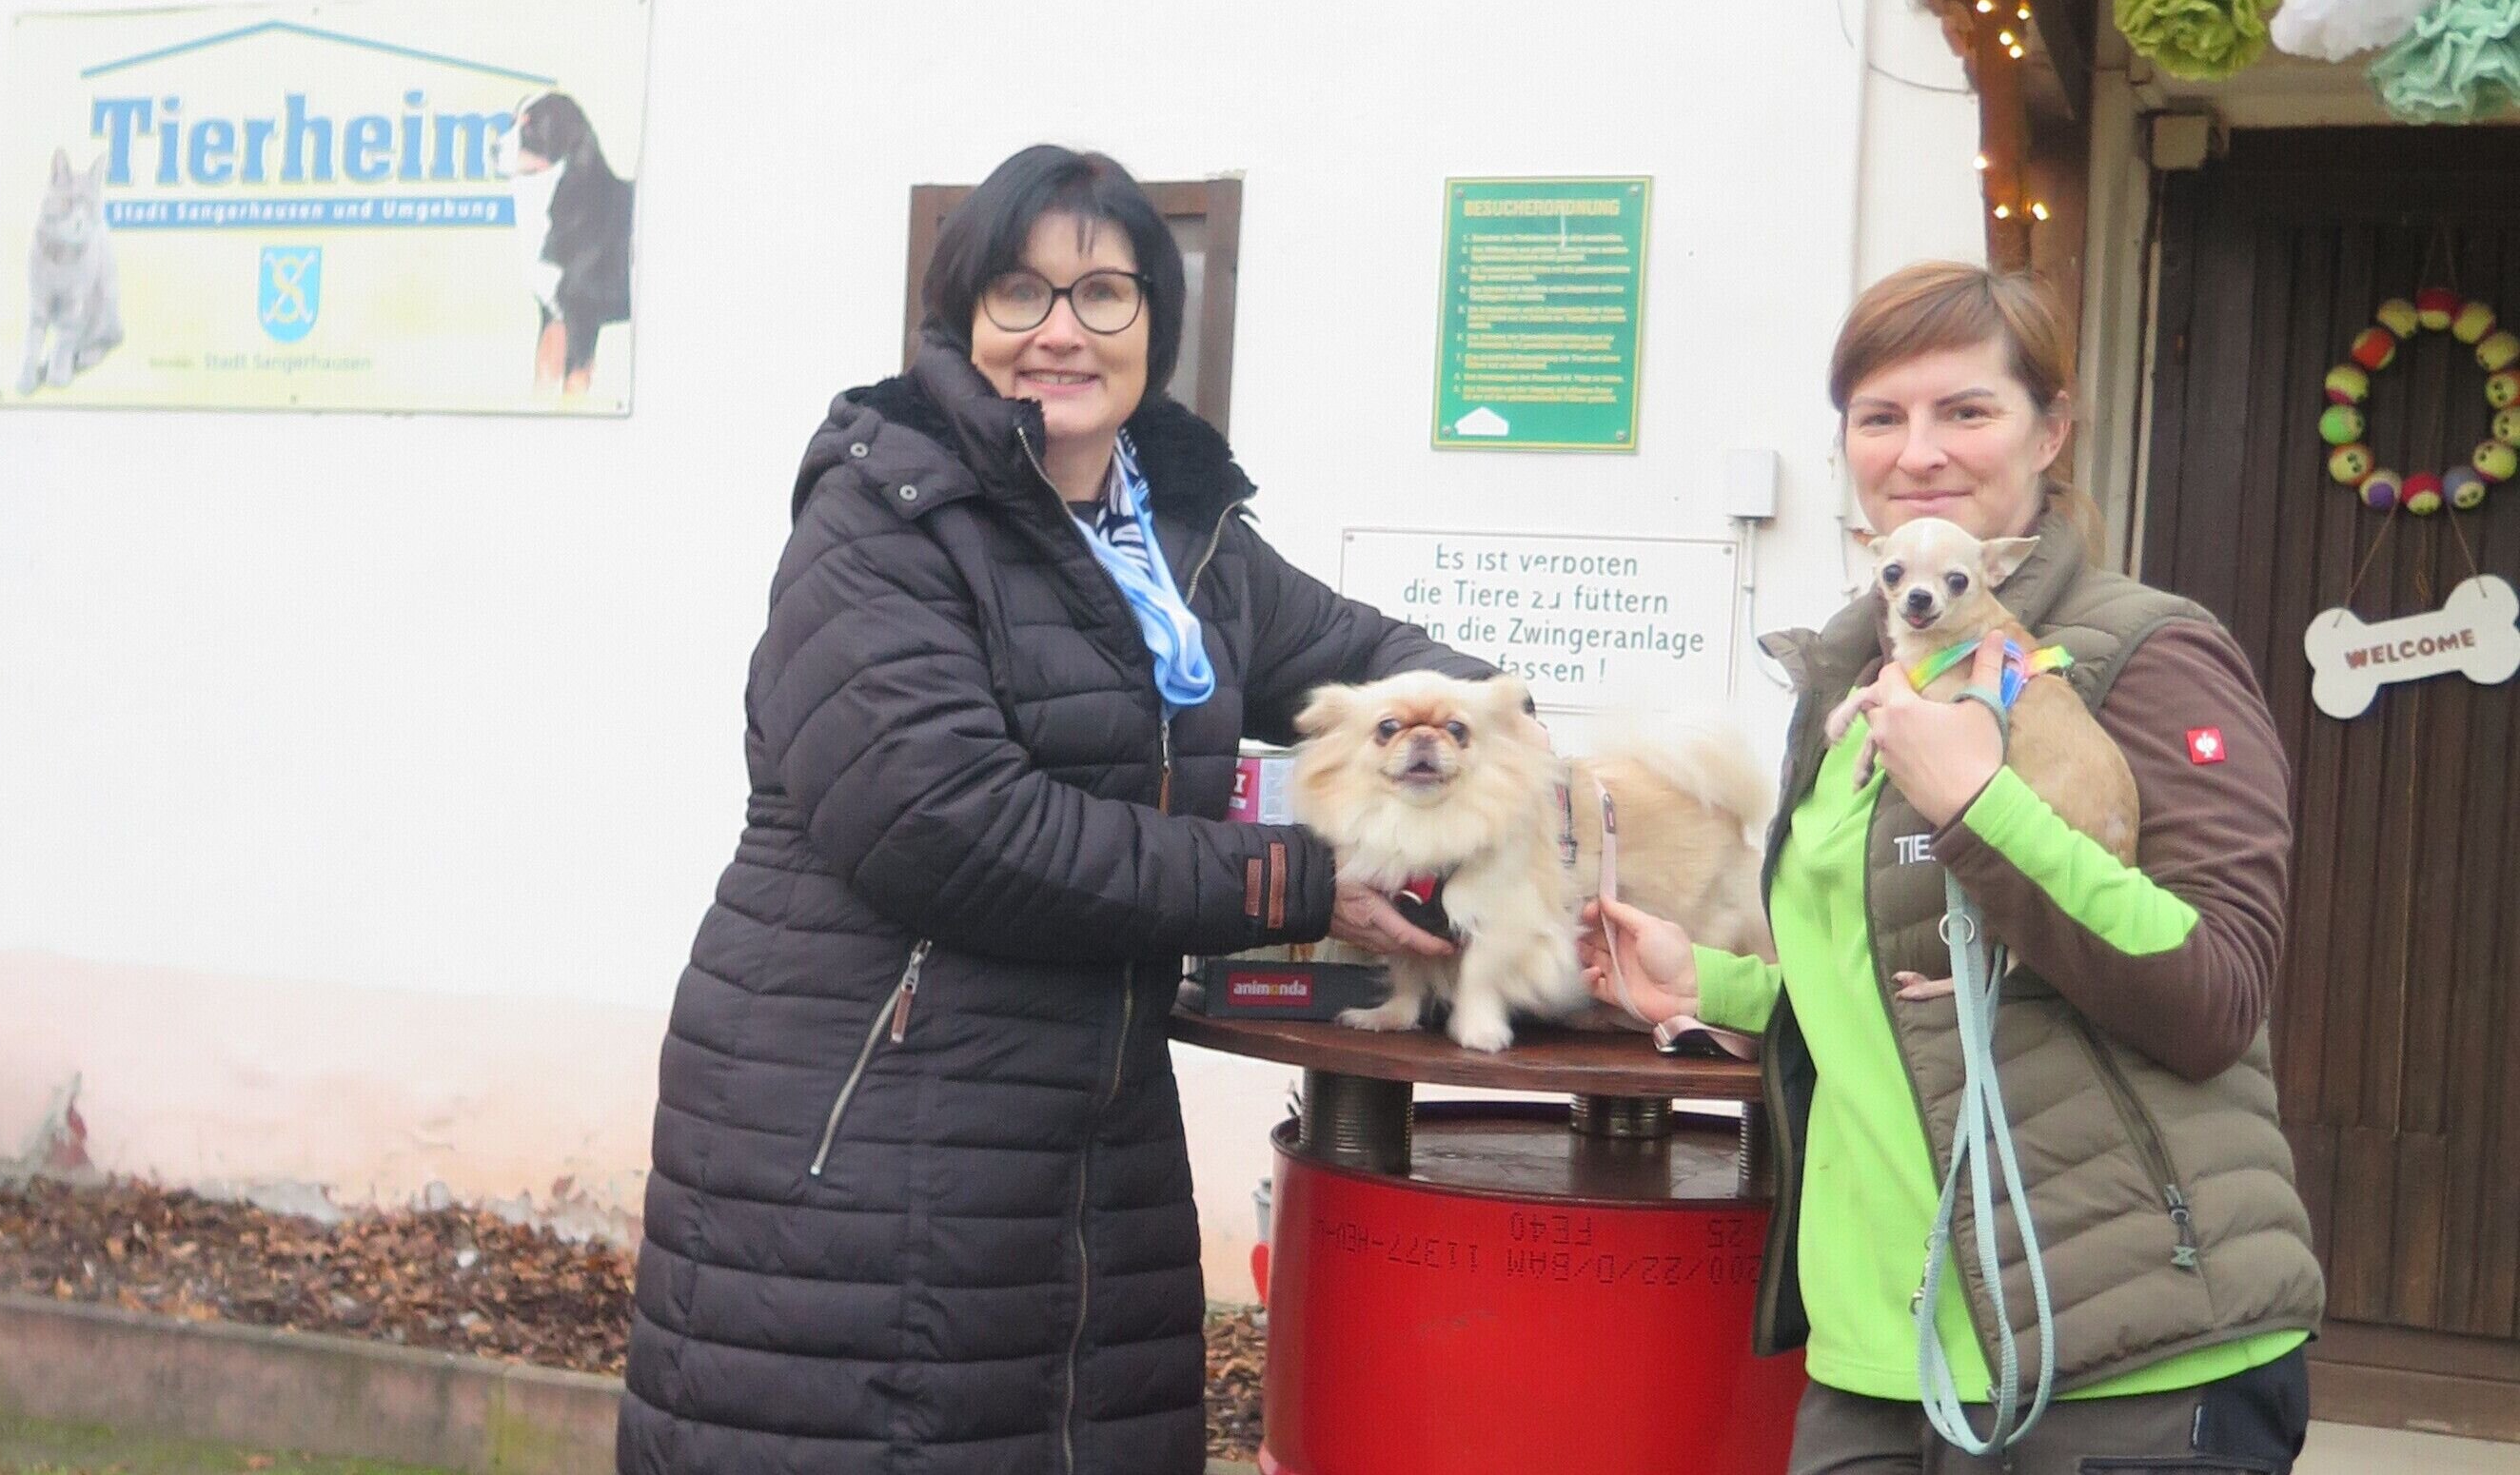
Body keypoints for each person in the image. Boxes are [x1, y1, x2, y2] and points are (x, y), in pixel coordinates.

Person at [618, 145, 1469, 1475]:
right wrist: (1293, 878)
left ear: (1155, 330)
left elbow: (1380, 660)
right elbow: (950, 825)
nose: (1062, 329)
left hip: (1083, 1138)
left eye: (1105, 294)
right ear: (962, 318)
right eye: (1021, 291)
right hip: (867, 1124)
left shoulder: (1185, 542)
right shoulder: (883, 518)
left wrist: (1524, 746)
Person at [1582, 263, 2324, 1474]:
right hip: (1879, 1347)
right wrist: (1710, 985)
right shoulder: (1851, 679)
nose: (1917, 448)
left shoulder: (2148, 653)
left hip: (2116, 1345)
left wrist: (1981, 801)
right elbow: (1903, 987)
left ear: (2053, 429)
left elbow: (2213, 994)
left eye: (1965, 410)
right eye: (1880, 416)